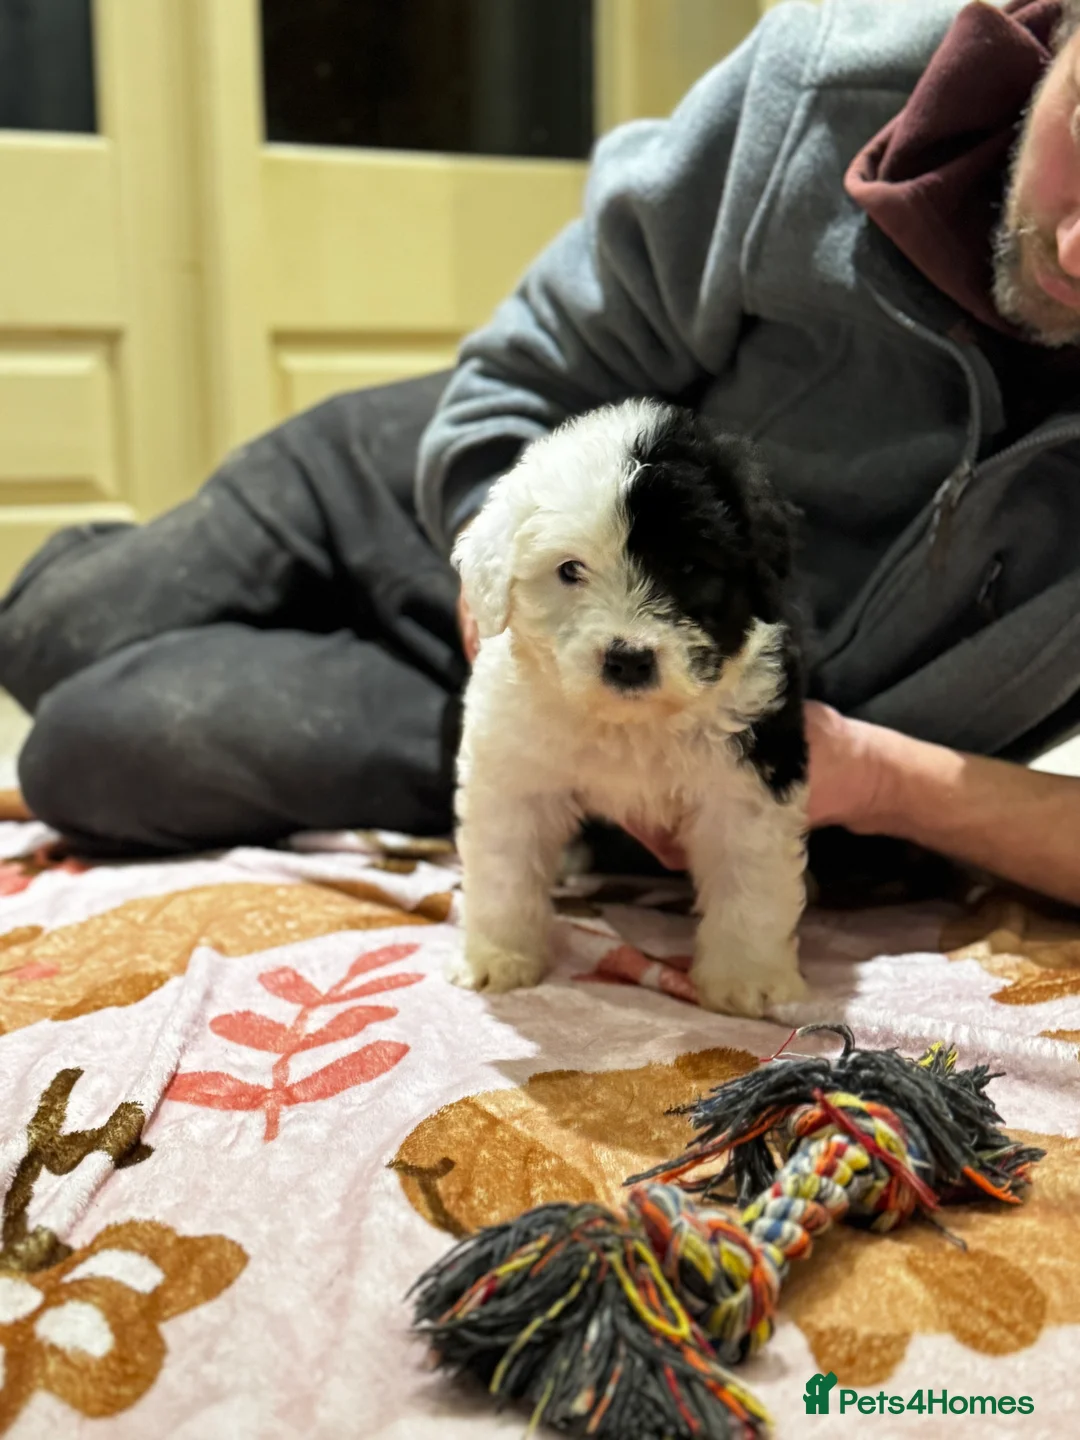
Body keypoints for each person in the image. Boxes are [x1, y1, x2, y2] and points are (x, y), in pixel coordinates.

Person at [5, 0, 1080, 906]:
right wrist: (501, 584)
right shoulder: (829, 83)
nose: (1077, 250)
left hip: (613, 725)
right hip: (439, 491)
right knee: (46, 631)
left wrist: (883, 781)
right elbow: (524, 380)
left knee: (85, 755)